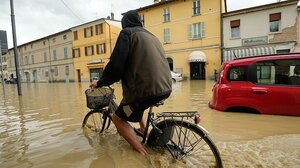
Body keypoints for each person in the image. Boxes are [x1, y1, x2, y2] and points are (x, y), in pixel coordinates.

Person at [90, 10, 172, 156]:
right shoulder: (153, 37)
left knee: (118, 118)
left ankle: (143, 153)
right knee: (135, 104)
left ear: (125, 23)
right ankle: (143, 130)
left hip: (146, 89)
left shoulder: (127, 34)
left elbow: (116, 65)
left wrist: (101, 82)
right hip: (165, 86)